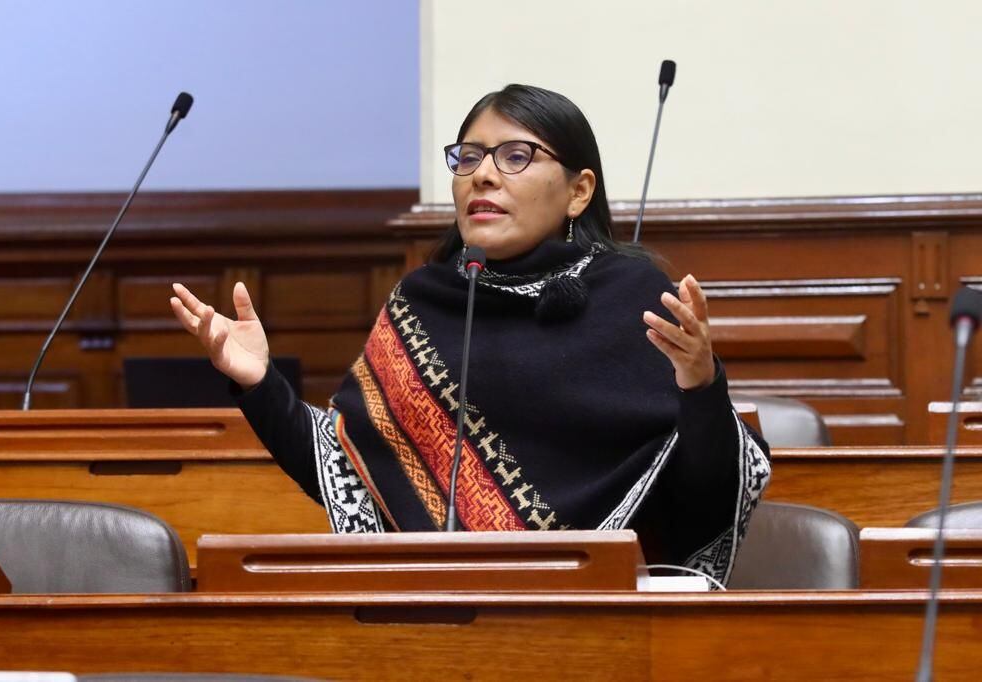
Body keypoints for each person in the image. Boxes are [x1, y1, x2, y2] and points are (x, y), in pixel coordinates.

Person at [169, 84, 770, 585]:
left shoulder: (633, 300)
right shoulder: (422, 301)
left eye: (515, 156)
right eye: (468, 157)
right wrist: (257, 384)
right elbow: (350, 472)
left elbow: (701, 496)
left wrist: (699, 383)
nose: (482, 175)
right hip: (430, 610)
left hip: (594, 611)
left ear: (579, 191)